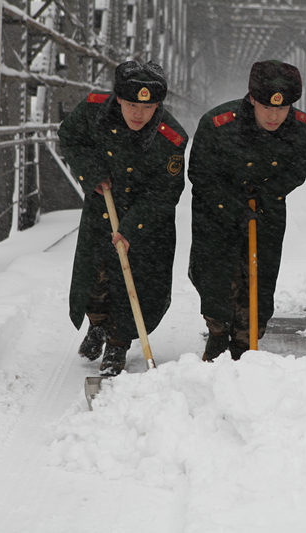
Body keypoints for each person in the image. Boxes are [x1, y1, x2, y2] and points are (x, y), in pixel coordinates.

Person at [58, 60, 188, 376]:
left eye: (147, 107)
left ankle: (118, 342)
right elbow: (70, 136)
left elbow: (165, 193)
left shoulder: (171, 138)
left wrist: (130, 229)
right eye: (131, 105)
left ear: (158, 105)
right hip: (102, 210)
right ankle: (98, 325)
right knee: (95, 280)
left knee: (134, 286)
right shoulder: (93, 111)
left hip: (148, 223)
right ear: (118, 98)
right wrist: (91, 172)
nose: (138, 114)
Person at [188, 60, 306, 361]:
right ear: (253, 98)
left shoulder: (301, 128)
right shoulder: (217, 124)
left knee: (260, 278)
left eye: (282, 109)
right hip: (216, 212)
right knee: (216, 279)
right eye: (267, 107)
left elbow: (304, 164)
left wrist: (268, 192)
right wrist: (235, 209)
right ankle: (218, 334)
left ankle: (247, 340)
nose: (274, 116)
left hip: (266, 211)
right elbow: (201, 174)